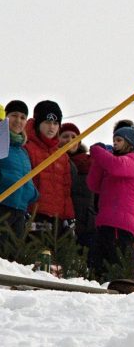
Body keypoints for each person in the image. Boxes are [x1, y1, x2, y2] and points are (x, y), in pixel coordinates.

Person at [86, 126, 134, 278]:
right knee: (98, 263)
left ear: (130, 143)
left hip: (119, 222)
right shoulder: (115, 161)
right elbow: (93, 185)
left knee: (113, 264)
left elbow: (116, 167)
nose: (115, 143)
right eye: (114, 140)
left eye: (119, 140)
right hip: (107, 220)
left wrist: (98, 151)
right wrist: (98, 161)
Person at [24, 100, 75, 235]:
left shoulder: (62, 156)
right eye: (47, 122)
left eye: (55, 123)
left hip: (57, 218)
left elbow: (66, 190)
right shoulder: (27, 148)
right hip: (34, 215)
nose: (51, 127)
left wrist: (69, 218)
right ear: (37, 123)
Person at [0, 100, 39, 243]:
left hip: (20, 210)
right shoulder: (1, 144)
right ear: (5, 118)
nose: (18, 120)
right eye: (14, 115)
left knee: (14, 260)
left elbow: (25, 177)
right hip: (3, 206)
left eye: (23, 117)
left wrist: (32, 192)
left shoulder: (23, 151)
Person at [59, 123, 96, 253]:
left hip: (86, 224)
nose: (70, 140)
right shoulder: (55, 162)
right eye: (65, 136)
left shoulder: (90, 164)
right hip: (62, 224)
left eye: (73, 137)